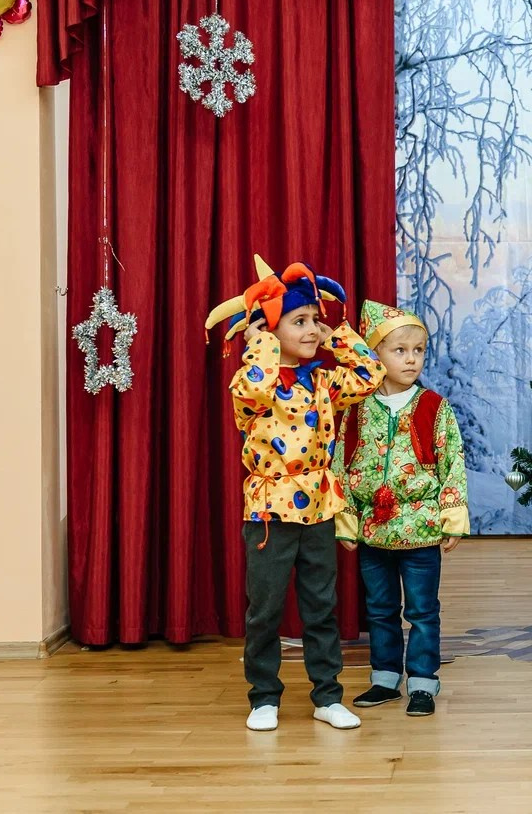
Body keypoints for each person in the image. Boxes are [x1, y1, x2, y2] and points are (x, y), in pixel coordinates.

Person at [205, 256, 385, 732]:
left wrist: (336, 337)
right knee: (265, 609)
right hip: (268, 513)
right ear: (269, 330)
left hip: (319, 509)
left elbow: (370, 374)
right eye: (300, 322)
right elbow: (254, 387)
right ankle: (264, 697)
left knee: (320, 607)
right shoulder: (252, 382)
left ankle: (328, 696)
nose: (311, 329)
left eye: (315, 321)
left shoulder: (324, 381)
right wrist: (262, 343)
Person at [333, 300, 470, 717]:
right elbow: (342, 462)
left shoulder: (434, 407)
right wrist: (347, 520)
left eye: (419, 350)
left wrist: (451, 517)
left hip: (421, 531)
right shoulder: (356, 409)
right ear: (375, 355)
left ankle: (424, 683)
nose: (411, 359)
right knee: (380, 609)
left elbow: (452, 464)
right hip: (373, 532)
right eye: (400, 350)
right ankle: (385, 679)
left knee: (423, 611)